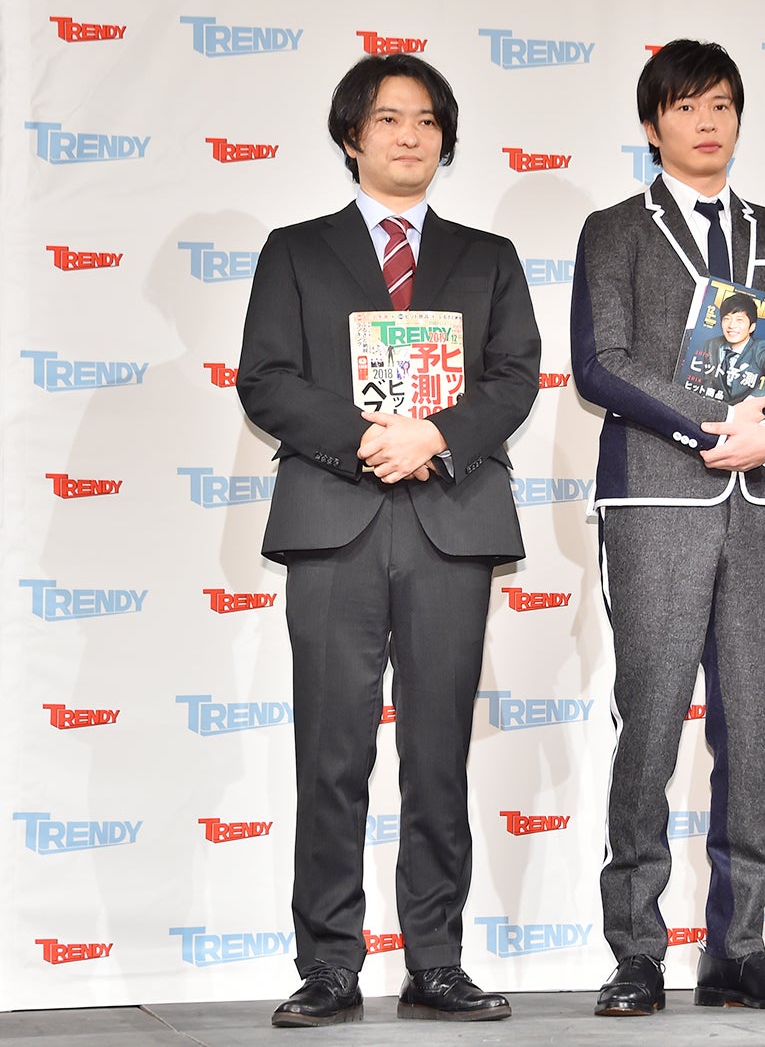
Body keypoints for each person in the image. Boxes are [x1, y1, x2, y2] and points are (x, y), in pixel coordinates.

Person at [237, 53, 540, 1027]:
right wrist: (370, 437)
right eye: (388, 119)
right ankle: (328, 963)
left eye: (426, 121)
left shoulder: (487, 256)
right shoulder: (296, 250)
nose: (410, 135)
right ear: (350, 136)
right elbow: (266, 378)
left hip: (451, 518)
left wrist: (435, 437)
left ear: (445, 141)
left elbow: (515, 375)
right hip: (336, 516)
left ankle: (436, 959)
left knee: (438, 753)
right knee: (330, 750)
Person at [569, 39, 765, 1017]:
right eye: (684, 107)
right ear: (652, 125)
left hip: (758, 505)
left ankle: (739, 948)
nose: (706, 121)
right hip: (657, 502)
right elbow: (602, 361)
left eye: (720, 104)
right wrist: (711, 423)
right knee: (650, 722)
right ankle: (637, 949)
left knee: (750, 729)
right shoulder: (614, 231)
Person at [688, 292, 765, 401]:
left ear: (752, 327)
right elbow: (707, 379)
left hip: (746, 407)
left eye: (739, 320)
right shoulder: (711, 344)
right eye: (727, 319)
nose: (731, 325)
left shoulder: (759, 347)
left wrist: (753, 399)